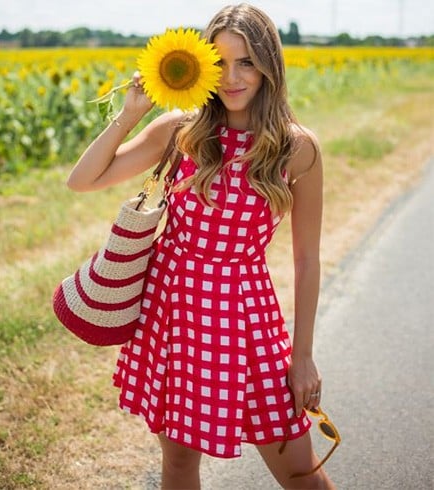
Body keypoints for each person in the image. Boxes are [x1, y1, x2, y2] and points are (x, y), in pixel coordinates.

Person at [67, 3, 335, 489]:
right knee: (179, 465)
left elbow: (306, 259)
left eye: (246, 62)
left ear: (269, 66)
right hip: (172, 314)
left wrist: (303, 356)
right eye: (220, 61)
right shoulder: (181, 130)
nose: (232, 77)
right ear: (202, 66)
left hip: (247, 319)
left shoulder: (297, 149)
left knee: (301, 475)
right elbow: (82, 181)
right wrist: (128, 116)